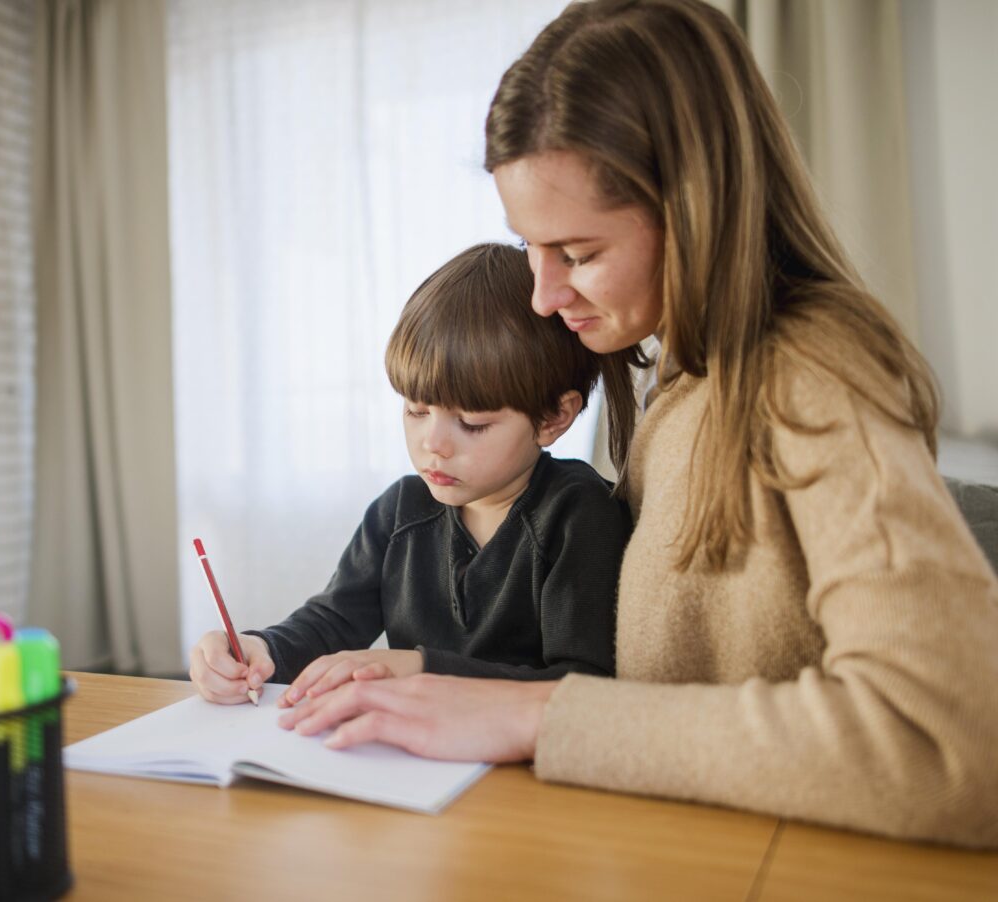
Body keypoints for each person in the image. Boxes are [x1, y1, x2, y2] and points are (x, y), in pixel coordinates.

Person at [276, 0, 998, 848]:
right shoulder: (684, 382)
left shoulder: (811, 378)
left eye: (578, 255)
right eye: (529, 247)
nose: (544, 295)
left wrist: (534, 713)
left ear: (694, 209)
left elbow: (949, 743)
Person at [189, 242, 631, 707]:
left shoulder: (579, 514)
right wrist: (260, 649)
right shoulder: (400, 510)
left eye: (473, 423)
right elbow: (333, 623)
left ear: (553, 419)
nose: (432, 443)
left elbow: (581, 685)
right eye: (416, 411)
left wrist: (423, 669)